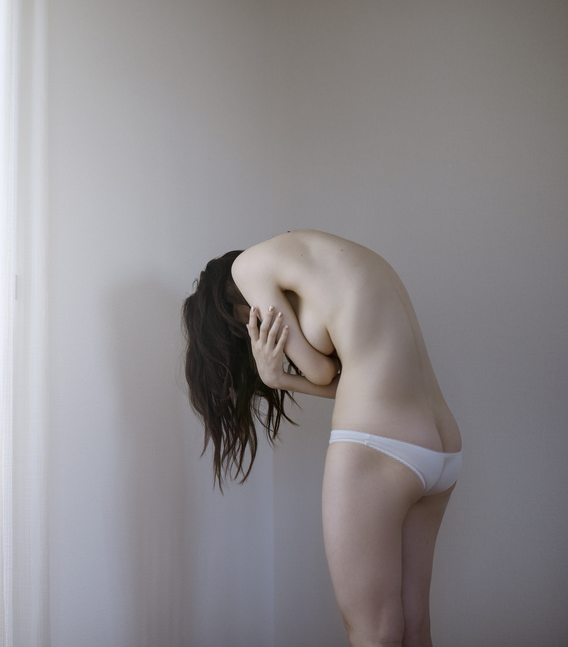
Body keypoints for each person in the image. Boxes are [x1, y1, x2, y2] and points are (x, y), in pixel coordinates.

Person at [181, 229, 461, 647]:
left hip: (376, 446)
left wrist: (274, 376)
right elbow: (357, 381)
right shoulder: (326, 258)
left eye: (242, 325)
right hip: (442, 446)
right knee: (415, 625)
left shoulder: (248, 267)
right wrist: (281, 377)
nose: (252, 329)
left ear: (224, 302)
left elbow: (320, 371)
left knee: (374, 633)